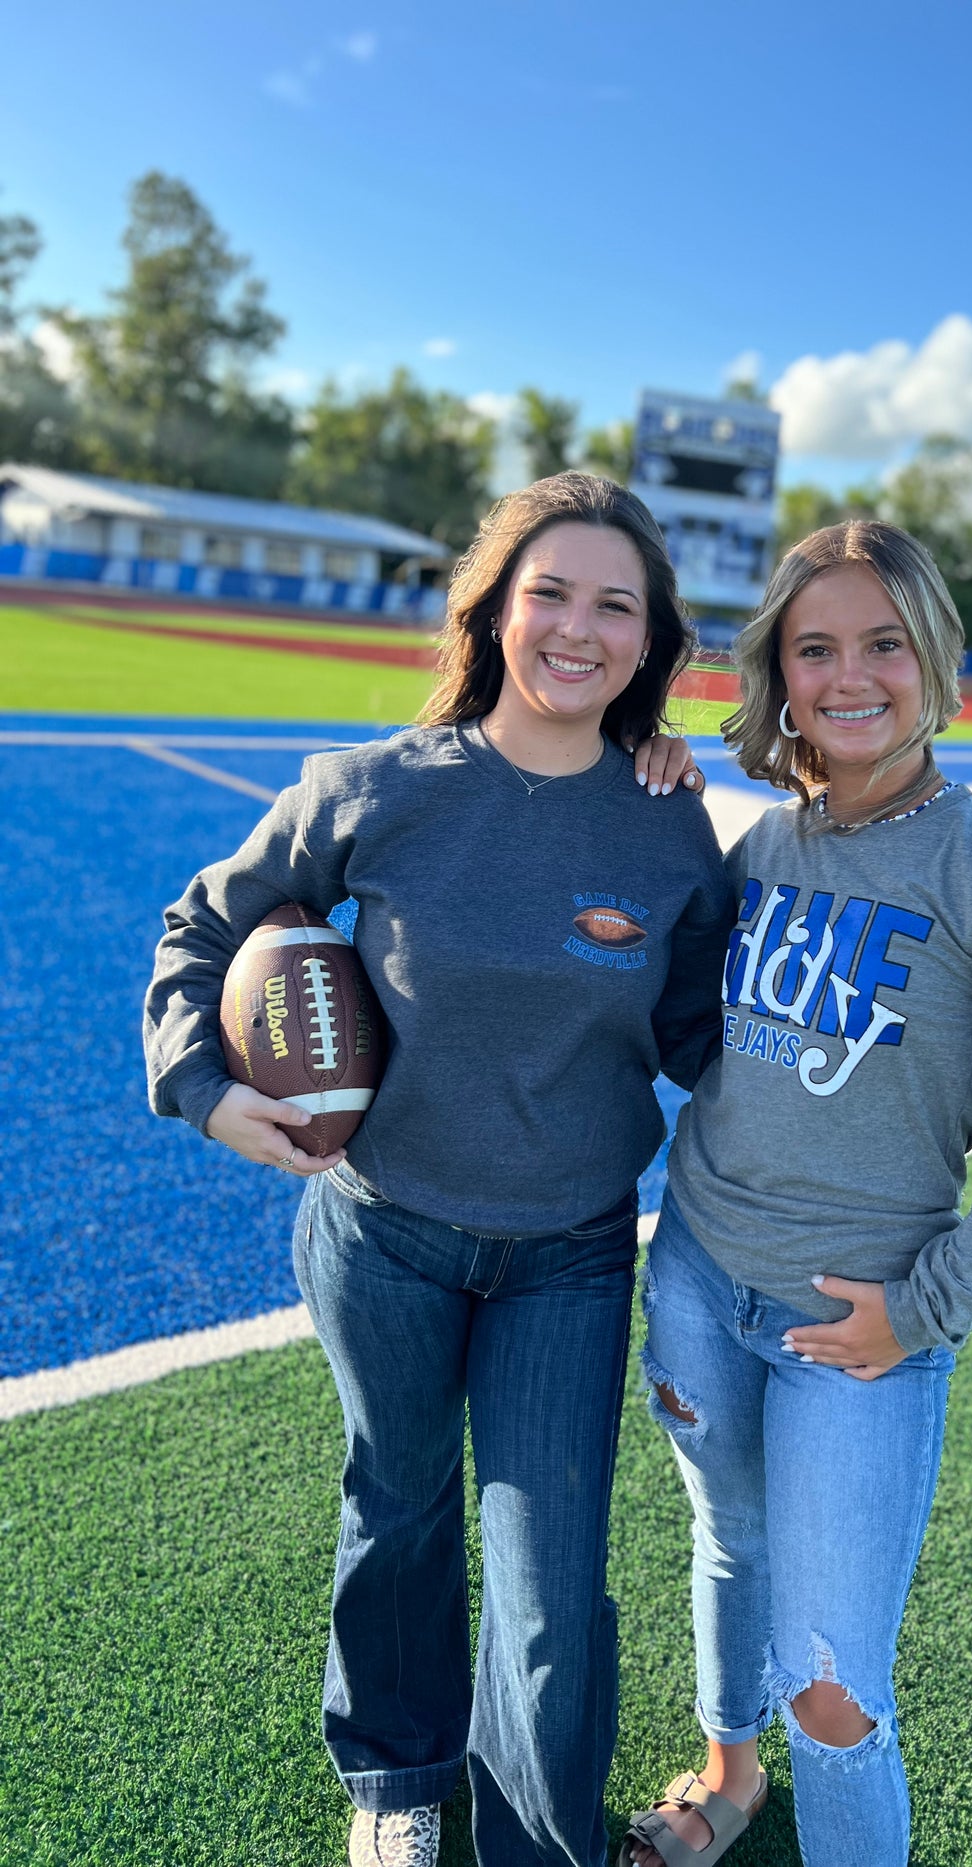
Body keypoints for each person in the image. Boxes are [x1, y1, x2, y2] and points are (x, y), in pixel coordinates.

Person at [143, 473, 734, 1867]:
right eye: (550, 594)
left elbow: (702, 1033)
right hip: (384, 1236)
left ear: (649, 642)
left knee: (550, 1583)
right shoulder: (376, 789)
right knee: (397, 1508)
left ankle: (540, 1847)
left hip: (571, 1256)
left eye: (615, 606)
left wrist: (865, 1107)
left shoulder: (667, 825)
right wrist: (203, 1085)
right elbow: (200, 927)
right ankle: (399, 1779)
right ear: (493, 610)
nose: (577, 630)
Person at [620, 520, 972, 1867]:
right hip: (698, 1280)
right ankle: (726, 1781)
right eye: (814, 646)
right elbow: (696, 1034)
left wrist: (925, 1310)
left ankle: (794, 1774)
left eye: (882, 643)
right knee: (728, 1545)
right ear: (779, 673)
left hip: (859, 1334)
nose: (851, 675)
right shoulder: (763, 849)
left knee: (834, 1689)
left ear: (932, 656)